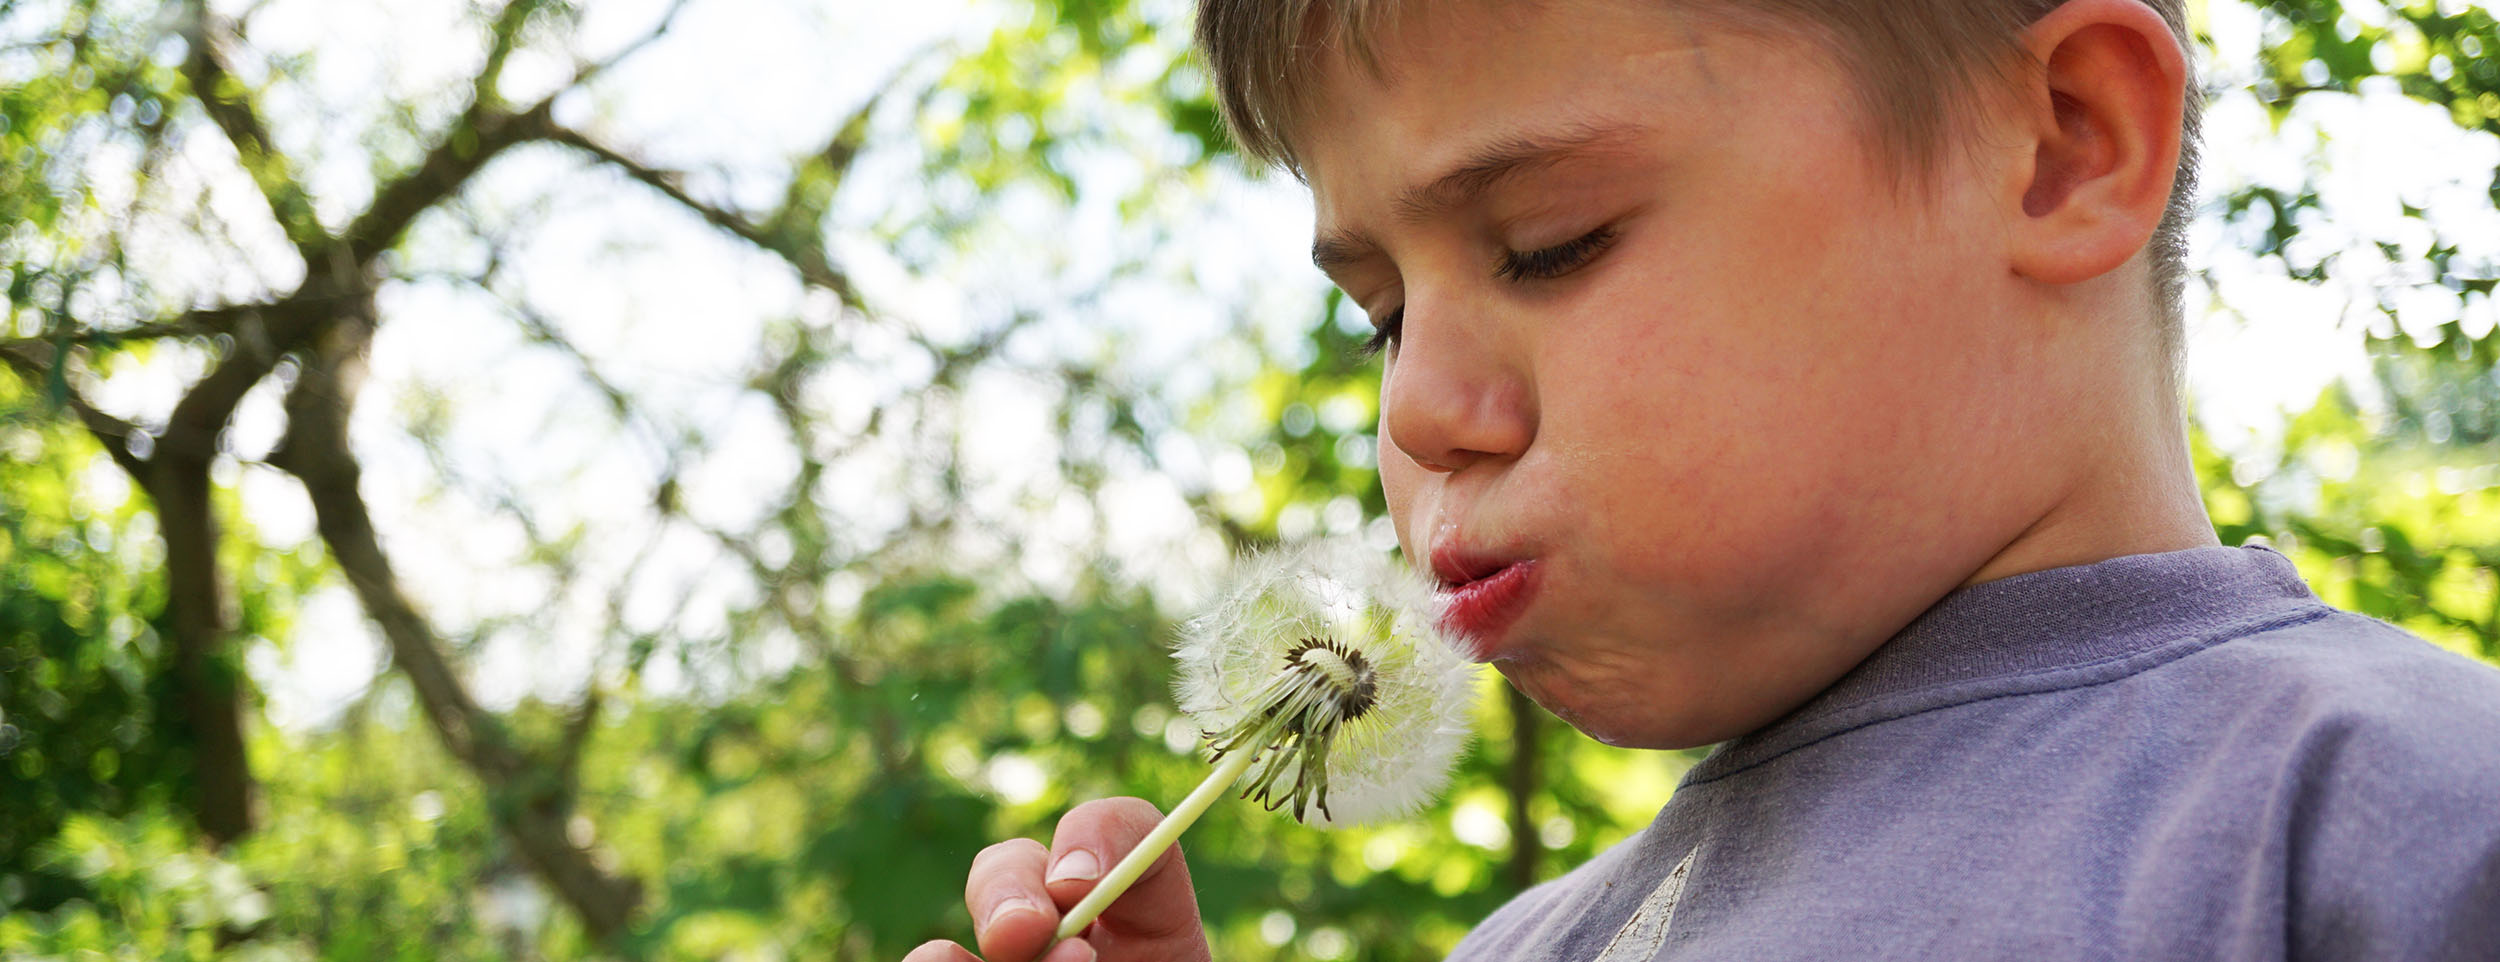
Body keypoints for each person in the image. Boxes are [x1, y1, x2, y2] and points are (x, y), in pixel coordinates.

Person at [907, 0, 2500, 958]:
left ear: (2063, 144)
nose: (1421, 410)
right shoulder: (1527, 945)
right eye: (1383, 315)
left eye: (1551, 243)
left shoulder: (2395, 815)